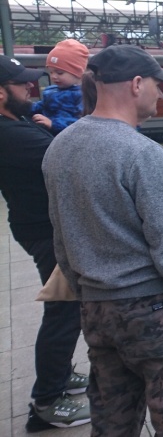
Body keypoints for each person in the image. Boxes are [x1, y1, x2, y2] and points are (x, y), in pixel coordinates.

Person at [42, 44, 163, 435]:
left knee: (112, 419)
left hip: (96, 311)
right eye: (158, 84)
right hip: (154, 314)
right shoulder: (142, 152)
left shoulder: (59, 147)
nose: (162, 93)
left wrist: (87, 291)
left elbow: (62, 241)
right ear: (137, 84)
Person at [0, 55, 91, 432]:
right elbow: (76, 160)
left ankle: (59, 376)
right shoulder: (15, 135)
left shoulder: (17, 126)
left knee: (66, 310)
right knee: (64, 311)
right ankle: (47, 402)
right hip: (45, 232)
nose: (30, 88)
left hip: (35, 226)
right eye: (20, 84)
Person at [31, 39, 88, 134]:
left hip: (64, 136)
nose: (53, 76)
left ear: (78, 73)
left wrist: (53, 124)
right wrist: (26, 107)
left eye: (60, 73)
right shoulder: (50, 90)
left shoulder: (82, 95)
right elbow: (41, 105)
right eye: (51, 72)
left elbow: (81, 122)